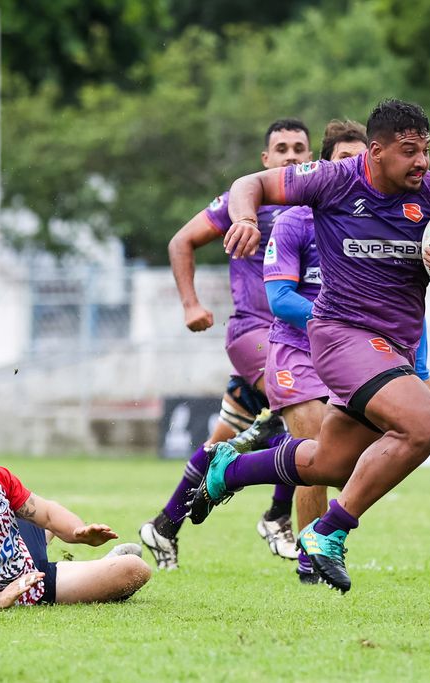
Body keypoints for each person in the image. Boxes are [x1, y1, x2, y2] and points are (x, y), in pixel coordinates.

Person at [188, 99, 430, 592]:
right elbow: (249, 184)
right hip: (340, 334)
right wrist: (247, 218)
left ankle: (228, 469)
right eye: (409, 151)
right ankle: (329, 532)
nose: (421, 161)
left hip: (393, 347)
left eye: (425, 149)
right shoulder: (334, 179)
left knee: (330, 462)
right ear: (376, 151)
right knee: (425, 424)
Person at [138, 119, 313, 570]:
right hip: (255, 335)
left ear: (311, 157)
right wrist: (190, 303)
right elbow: (182, 240)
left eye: (299, 148)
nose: (291, 156)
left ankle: (164, 525)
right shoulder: (247, 201)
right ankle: (277, 515)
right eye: (281, 148)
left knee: (224, 442)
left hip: (295, 340)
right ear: (266, 159)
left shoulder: (319, 205)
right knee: (307, 413)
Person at [0, 425, 151, 610]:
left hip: (30, 571)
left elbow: (46, 512)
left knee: (136, 569)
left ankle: (80, 559)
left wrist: (79, 533)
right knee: (132, 569)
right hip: (16, 585)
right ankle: (95, 566)